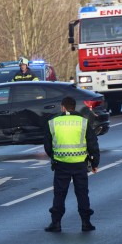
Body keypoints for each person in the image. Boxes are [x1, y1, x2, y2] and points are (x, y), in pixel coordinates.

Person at [43, 96, 100, 233]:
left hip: (61, 164)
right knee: (82, 194)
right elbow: (93, 144)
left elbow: (47, 145)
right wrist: (94, 163)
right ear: (74, 107)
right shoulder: (83, 122)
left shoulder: (53, 122)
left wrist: (55, 157)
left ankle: (56, 223)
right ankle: (86, 223)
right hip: (80, 164)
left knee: (59, 194)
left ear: (63, 107)